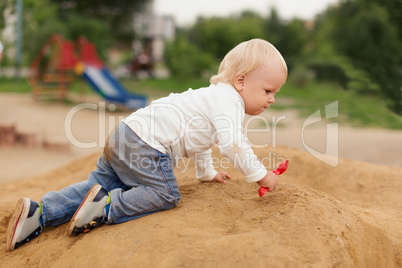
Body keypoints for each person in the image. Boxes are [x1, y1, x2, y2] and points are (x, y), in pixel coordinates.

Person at [6, 38, 288, 251]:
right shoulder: (229, 103)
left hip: (125, 133)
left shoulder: (212, 97)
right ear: (241, 81)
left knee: (100, 183)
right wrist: (261, 175)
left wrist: (207, 173)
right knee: (165, 194)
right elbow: (232, 145)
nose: (272, 98)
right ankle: (104, 208)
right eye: (268, 90)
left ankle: (40, 212)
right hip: (146, 145)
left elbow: (204, 141)